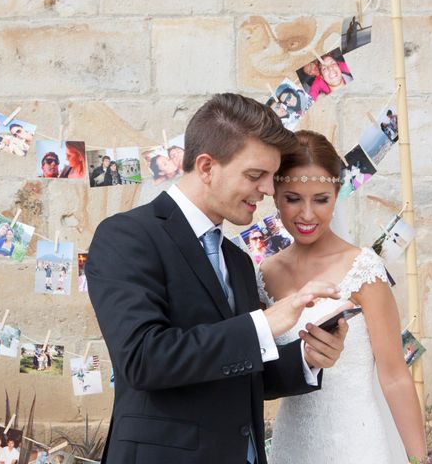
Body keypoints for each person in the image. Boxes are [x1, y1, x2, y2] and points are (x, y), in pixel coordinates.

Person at [86, 93, 348, 464]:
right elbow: (144, 359)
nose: (269, 191)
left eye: (272, 178)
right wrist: (264, 324)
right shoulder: (126, 236)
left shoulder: (237, 260)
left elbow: (235, 373)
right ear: (207, 167)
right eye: (256, 175)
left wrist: (306, 357)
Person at [258, 130, 426, 463]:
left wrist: (420, 460)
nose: (307, 214)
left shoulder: (363, 268)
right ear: (275, 195)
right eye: (293, 198)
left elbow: (393, 375)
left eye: (321, 199)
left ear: (337, 195)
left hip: (358, 442)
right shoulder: (264, 275)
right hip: (293, 444)